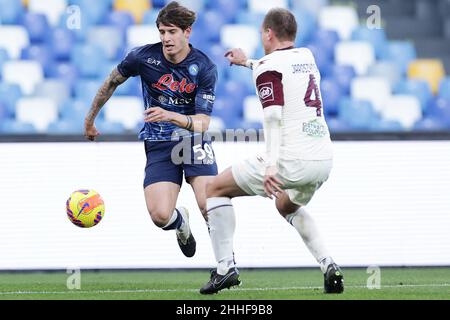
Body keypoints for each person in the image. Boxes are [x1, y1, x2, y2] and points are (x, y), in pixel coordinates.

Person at [199, 8, 344, 294]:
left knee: (214, 189)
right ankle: (328, 264)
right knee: (285, 204)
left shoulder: (268, 66)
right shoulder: (306, 57)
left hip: (290, 159)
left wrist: (271, 166)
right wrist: (247, 62)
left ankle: (225, 268)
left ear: (268, 33)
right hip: (323, 159)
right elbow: (280, 73)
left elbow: (273, 117)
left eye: (261, 33)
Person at [84, 1, 218, 258]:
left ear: (187, 32)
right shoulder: (143, 57)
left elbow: (203, 123)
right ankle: (181, 223)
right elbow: (112, 81)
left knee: (210, 206)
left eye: (172, 32)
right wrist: (90, 119)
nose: (166, 38)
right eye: (162, 32)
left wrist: (171, 116)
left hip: (193, 142)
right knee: (160, 216)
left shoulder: (204, 66)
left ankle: (227, 266)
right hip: (158, 143)